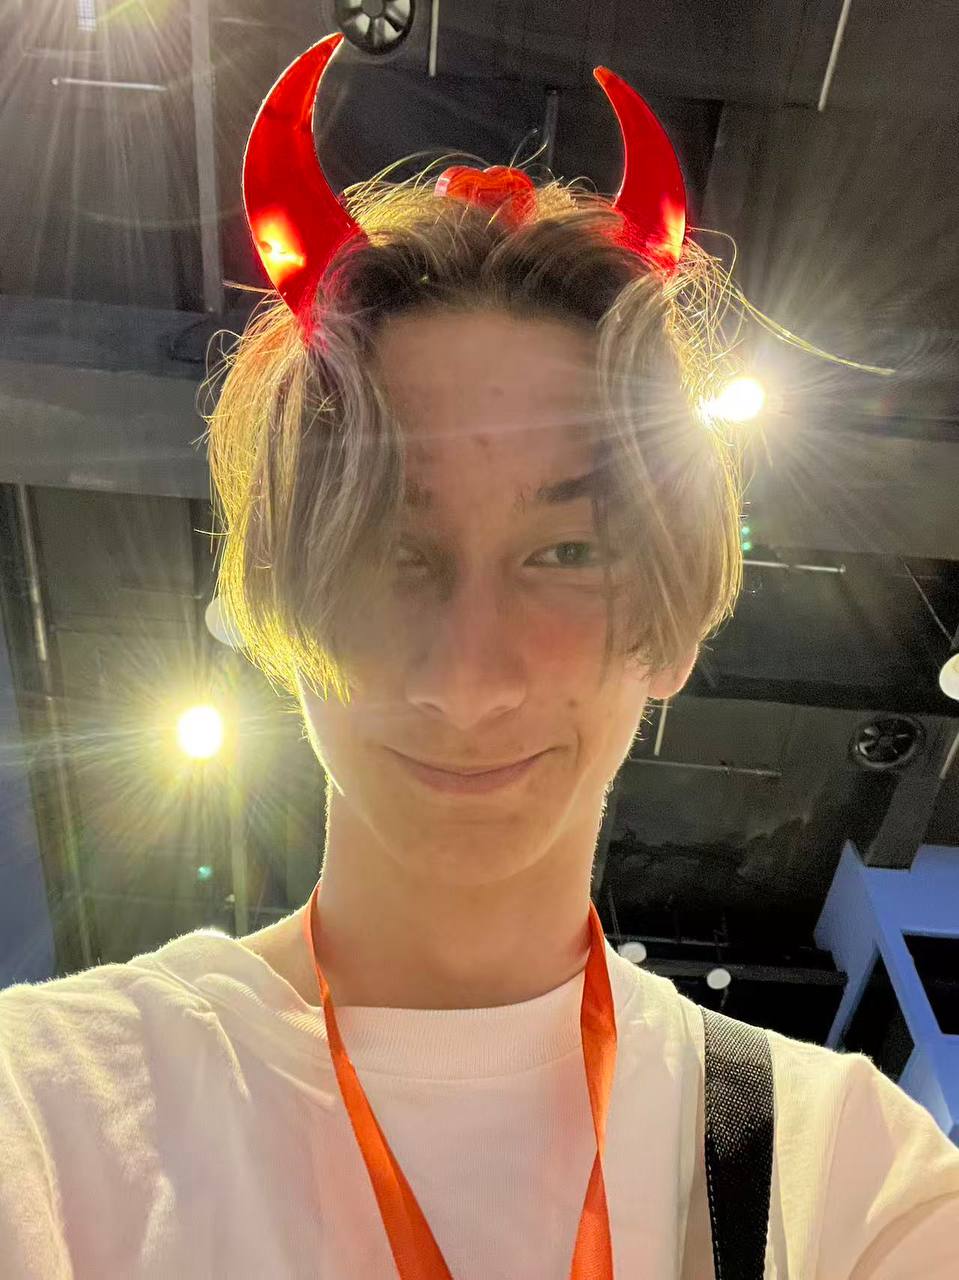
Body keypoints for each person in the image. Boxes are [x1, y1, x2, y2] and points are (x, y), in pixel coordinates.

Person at [1, 31, 958, 1280]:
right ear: (285, 598)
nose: (466, 677)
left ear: (670, 618)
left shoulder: (841, 1172)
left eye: (565, 552)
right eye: (390, 551)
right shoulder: (51, 1113)